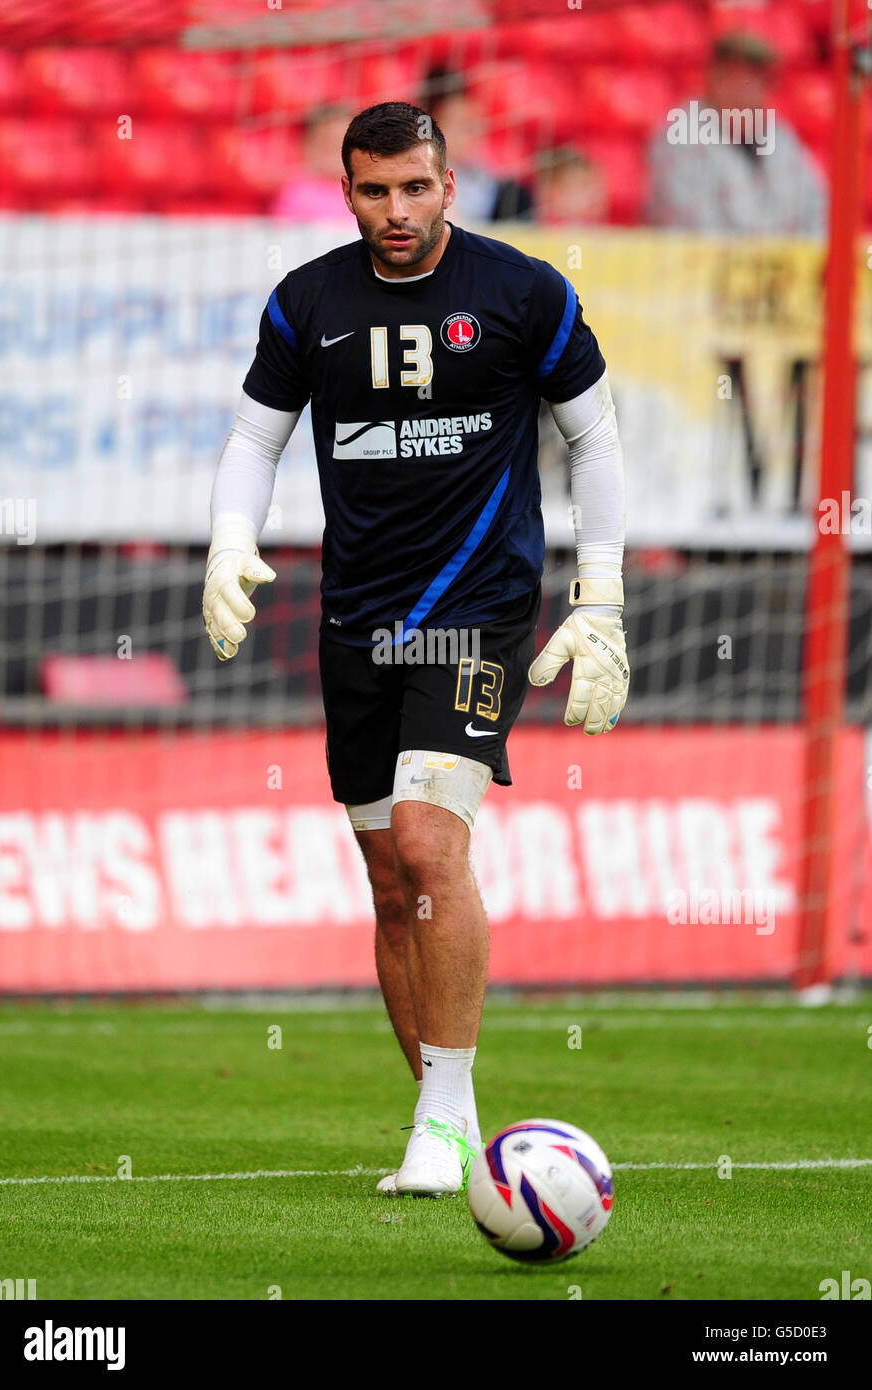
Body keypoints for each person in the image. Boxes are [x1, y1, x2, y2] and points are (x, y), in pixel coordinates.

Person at [203, 102, 628, 1197]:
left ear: (451, 182)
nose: (398, 211)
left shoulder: (524, 291)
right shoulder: (309, 301)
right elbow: (257, 436)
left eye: (417, 188)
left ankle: (439, 1122)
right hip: (359, 623)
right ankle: (453, 1119)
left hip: (477, 612)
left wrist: (604, 591)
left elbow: (593, 433)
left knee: (435, 849)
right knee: (393, 880)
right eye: (375, 191)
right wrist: (228, 539)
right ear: (348, 192)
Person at [646, 31, 826, 235]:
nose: (745, 93)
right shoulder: (679, 135)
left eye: (755, 81)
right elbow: (694, 229)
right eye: (735, 80)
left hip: (785, 265)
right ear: (713, 81)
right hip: (693, 264)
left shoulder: (782, 139)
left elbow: (817, 214)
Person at [421, 67, 533, 224]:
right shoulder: (421, 181)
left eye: (475, 124)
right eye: (462, 125)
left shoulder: (492, 181)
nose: (473, 133)